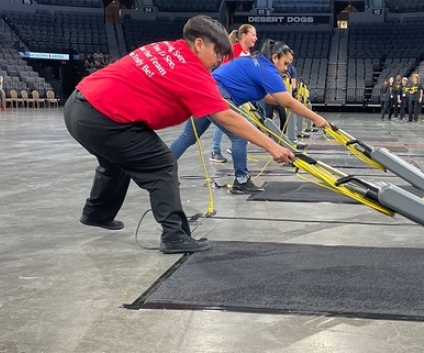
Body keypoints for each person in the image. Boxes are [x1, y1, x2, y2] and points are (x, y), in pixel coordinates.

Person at [64, 16, 294, 254]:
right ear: (199, 44)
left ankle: (96, 213)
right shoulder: (192, 71)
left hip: (77, 106)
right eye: (217, 53)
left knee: (114, 161)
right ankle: (174, 235)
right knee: (162, 165)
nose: (218, 60)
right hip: (102, 117)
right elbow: (227, 117)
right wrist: (272, 146)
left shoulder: (165, 48)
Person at [170, 39, 330, 194]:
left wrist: (284, 101)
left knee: (188, 137)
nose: (287, 69)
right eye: (285, 63)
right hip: (217, 95)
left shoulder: (257, 62)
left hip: (205, 91)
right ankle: (241, 180)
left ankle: (162, 169)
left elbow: (270, 97)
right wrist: (316, 118)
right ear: (275, 57)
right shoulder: (267, 69)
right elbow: (287, 102)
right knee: (239, 137)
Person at [210, 24, 257, 164]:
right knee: (224, 120)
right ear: (244, 36)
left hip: (234, 92)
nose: (256, 38)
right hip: (224, 91)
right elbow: (227, 70)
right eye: (253, 35)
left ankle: (234, 145)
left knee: (245, 118)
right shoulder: (235, 50)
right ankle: (216, 150)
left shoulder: (246, 51)